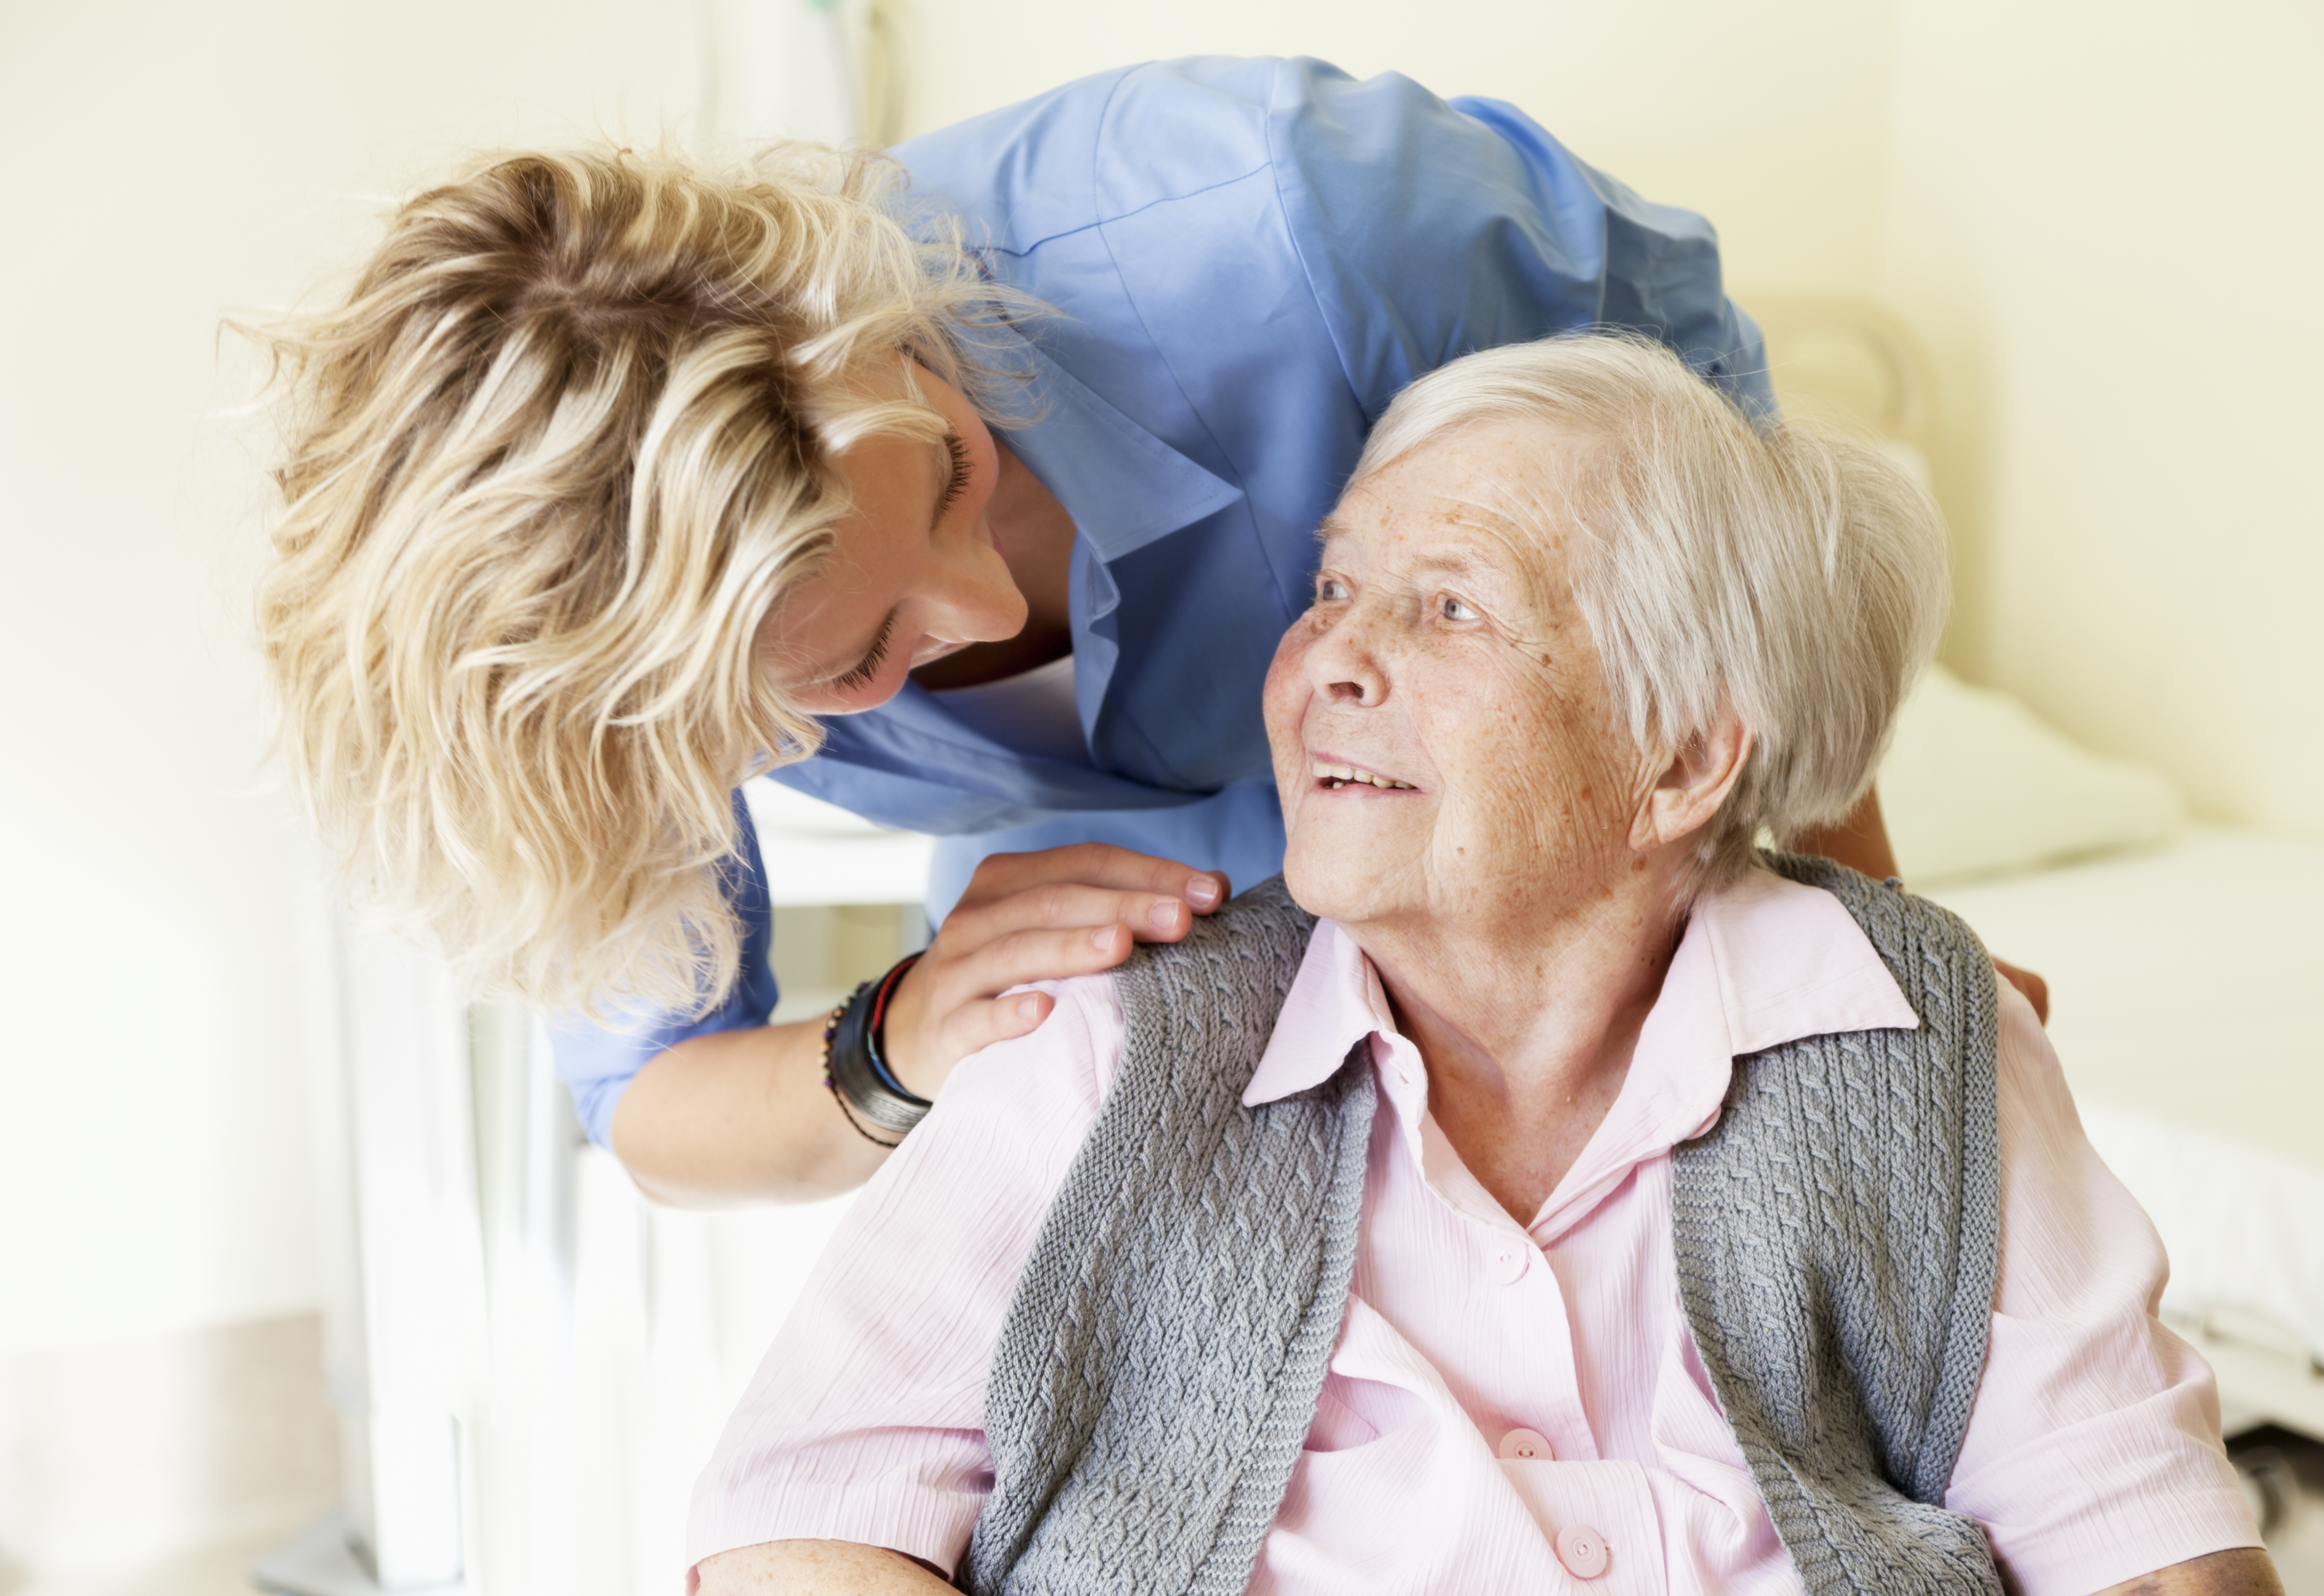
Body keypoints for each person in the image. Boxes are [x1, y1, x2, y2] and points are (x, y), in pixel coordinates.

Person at [255, 56, 2036, 1210]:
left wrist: (1866, 945)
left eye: (950, 478)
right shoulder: (608, 671)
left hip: (1532, 874)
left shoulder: (1295, 230)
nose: (972, 623)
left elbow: (1732, 546)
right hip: (1153, 984)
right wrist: (896, 1039)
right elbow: (649, 1104)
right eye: (851, 670)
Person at [684, 335, 2272, 1596]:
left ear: (1681, 759)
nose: (1327, 666)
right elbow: (799, 1530)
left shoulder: (1926, 1040)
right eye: (1330, 588)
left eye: (1449, 607)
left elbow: (2146, 1546)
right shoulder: (1099, 1046)